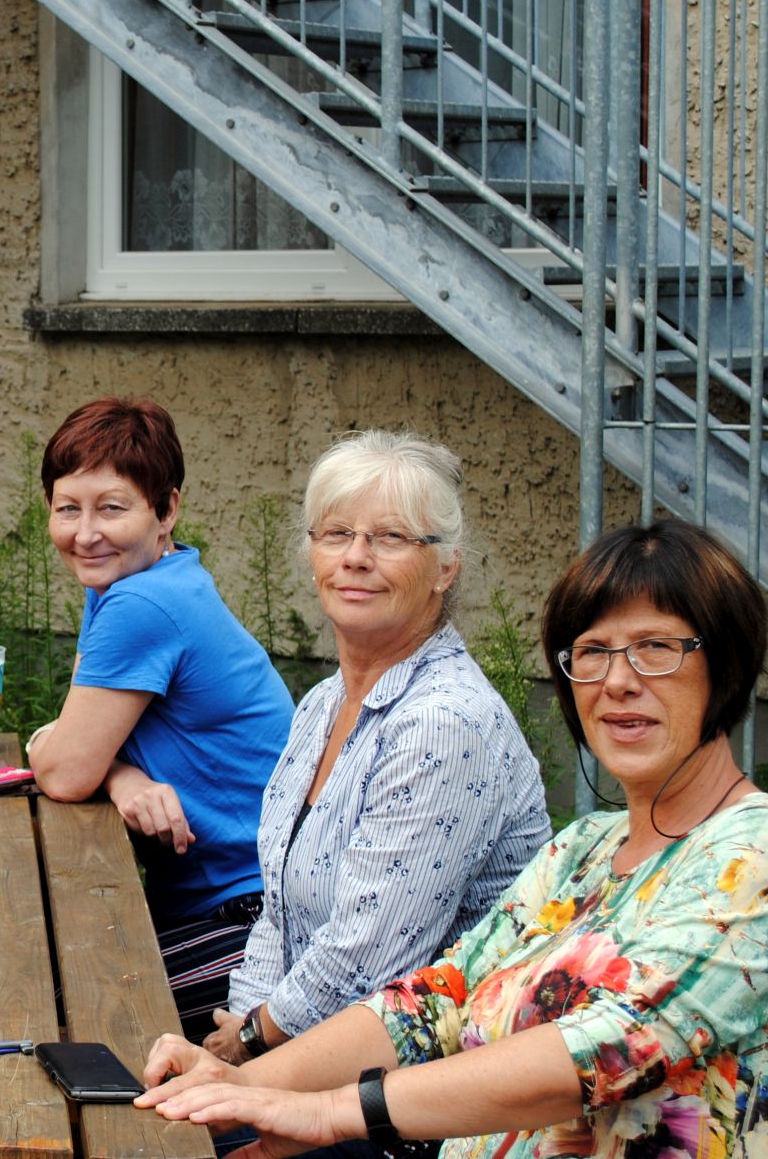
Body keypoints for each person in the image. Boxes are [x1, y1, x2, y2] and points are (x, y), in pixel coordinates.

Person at [139, 519, 768, 1159]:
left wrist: (327, 1111)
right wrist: (241, 1085)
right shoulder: (584, 849)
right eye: (593, 651)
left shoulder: (762, 849)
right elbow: (436, 999)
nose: (617, 680)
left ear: (726, 666)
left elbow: (609, 1046)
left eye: (656, 647)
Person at [208, 432, 549, 1073]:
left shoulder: (443, 723)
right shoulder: (324, 702)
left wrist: (246, 1046)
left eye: (391, 538)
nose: (356, 558)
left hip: (423, 1084)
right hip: (301, 1054)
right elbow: (279, 912)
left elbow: (368, 960)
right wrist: (244, 1026)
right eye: (337, 533)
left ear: (446, 568)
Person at [27, 396, 294, 1041]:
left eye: (111, 508)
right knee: (55, 983)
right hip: (226, 904)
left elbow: (62, 767)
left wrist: (89, 764)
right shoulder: (135, 583)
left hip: (256, 921)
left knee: (68, 1013)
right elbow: (76, 746)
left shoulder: (142, 603)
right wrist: (123, 778)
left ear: (166, 510)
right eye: (68, 508)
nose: (85, 533)